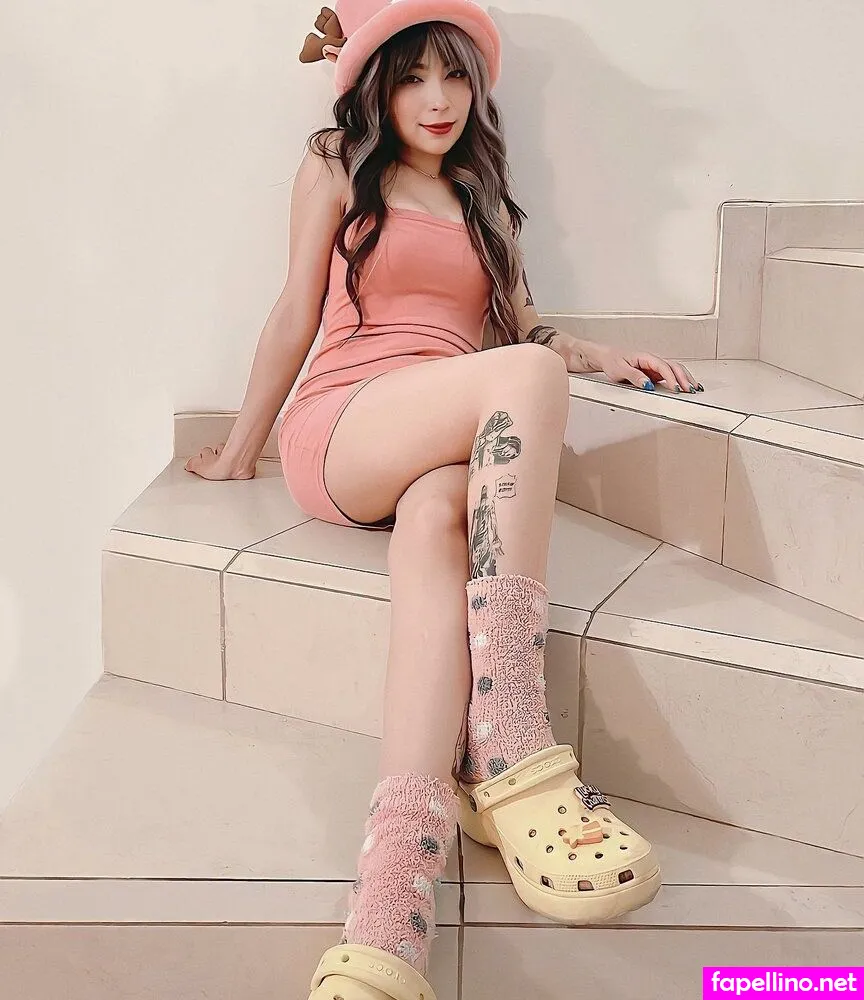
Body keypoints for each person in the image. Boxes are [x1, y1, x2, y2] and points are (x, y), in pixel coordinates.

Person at [186, 2, 704, 997]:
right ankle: (512, 735)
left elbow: (524, 330)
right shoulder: (338, 165)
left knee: (438, 519)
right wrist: (241, 449)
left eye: (456, 76)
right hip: (345, 423)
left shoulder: (482, 195)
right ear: (377, 85)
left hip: (441, 437)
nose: (438, 99)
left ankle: (394, 893)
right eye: (415, 76)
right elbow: (295, 310)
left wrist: (598, 353)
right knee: (520, 384)